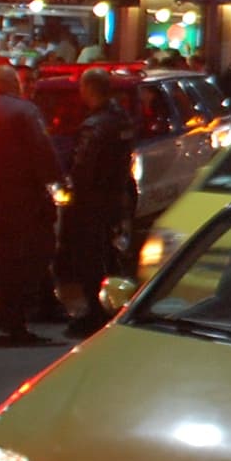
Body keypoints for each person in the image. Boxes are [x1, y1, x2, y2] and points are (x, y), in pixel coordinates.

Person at [0, 65, 63, 343]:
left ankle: (13, 314)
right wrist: (59, 179)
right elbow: (41, 149)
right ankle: (20, 318)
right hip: (24, 198)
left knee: (6, 260)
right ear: (13, 83)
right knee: (32, 256)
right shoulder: (25, 112)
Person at [54, 68, 136, 338]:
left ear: (89, 89)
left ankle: (95, 313)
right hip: (115, 199)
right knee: (110, 256)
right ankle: (111, 307)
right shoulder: (121, 119)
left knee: (89, 259)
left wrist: (71, 191)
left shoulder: (96, 125)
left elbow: (83, 168)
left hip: (92, 203)